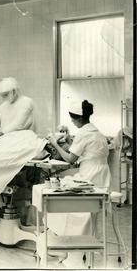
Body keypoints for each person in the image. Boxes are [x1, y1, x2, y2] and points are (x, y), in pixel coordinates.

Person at [47, 99, 111, 235]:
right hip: (103, 179)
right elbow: (82, 152)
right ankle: (63, 235)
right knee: (67, 182)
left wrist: (55, 143)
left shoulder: (83, 134)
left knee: (60, 194)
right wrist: (70, 140)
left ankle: (63, 238)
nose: (71, 122)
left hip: (90, 177)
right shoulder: (97, 132)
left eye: (72, 119)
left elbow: (71, 159)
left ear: (79, 118)